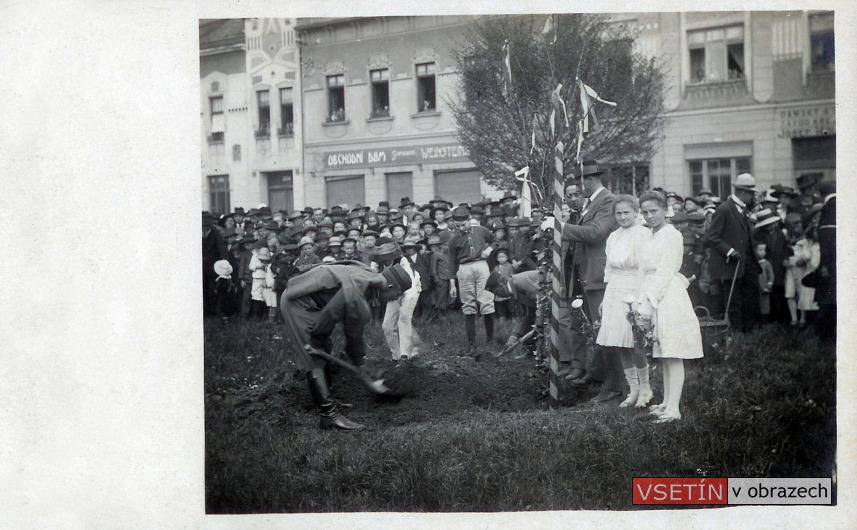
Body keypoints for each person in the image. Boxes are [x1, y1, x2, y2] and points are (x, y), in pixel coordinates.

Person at [280, 261, 411, 430]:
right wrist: (356, 360)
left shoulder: (369, 276)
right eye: (398, 293)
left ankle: (329, 397)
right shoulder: (360, 287)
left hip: (310, 300)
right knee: (314, 357)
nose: (396, 299)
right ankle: (329, 415)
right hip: (297, 303)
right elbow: (351, 332)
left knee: (322, 347)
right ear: (390, 285)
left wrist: (323, 339)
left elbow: (335, 315)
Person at [543, 160, 621, 401]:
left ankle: (614, 385)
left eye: (581, 183)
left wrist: (559, 227)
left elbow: (595, 233)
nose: (579, 188)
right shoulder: (591, 204)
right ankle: (598, 374)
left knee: (605, 329)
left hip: (598, 275)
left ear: (589, 180)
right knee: (593, 328)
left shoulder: (607, 200)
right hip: (583, 274)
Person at [636, 191, 704, 423]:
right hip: (652, 291)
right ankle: (666, 403)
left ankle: (674, 409)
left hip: (667, 295)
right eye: (645, 212)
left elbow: (665, 271)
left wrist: (649, 303)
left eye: (654, 211)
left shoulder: (672, 235)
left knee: (672, 352)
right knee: (663, 353)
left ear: (665, 210)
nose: (649, 216)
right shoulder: (650, 235)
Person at [595, 195, 652, 408]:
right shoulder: (613, 237)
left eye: (626, 212)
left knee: (636, 342)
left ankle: (646, 388)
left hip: (635, 288)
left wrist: (642, 297)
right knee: (620, 343)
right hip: (615, 291)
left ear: (636, 212)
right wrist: (605, 298)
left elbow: (646, 268)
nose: (622, 217)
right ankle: (633, 389)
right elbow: (609, 269)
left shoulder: (644, 234)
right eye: (618, 213)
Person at [703, 173, 761, 332]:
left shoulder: (743, 209)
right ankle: (735, 336)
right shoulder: (723, 209)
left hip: (747, 263)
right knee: (733, 302)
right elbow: (712, 237)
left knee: (750, 299)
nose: (753, 197)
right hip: (731, 264)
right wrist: (729, 251)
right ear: (742, 192)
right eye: (751, 193)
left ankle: (749, 334)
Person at [448, 205, 497, 356]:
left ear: (469, 220)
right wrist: (452, 285)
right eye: (457, 226)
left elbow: (495, 240)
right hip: (464, 269)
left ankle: (490, 340)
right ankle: (472, 344)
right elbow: (451, 263)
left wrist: (489, 249)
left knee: (486, 302)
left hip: (481, 266)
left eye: (463, 225)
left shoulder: (481, 230)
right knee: (468, 305)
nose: (461, 228)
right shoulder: (454, 239)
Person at [754, 241, 774, 321]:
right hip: (756, 288)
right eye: (760, 250)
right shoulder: (754, 264)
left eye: (763, 250)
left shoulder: (766, 263)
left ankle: (764, 322)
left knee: (764, 304)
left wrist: (769, 284)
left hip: (764, 288)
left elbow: (771, 275)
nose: (762, 252)